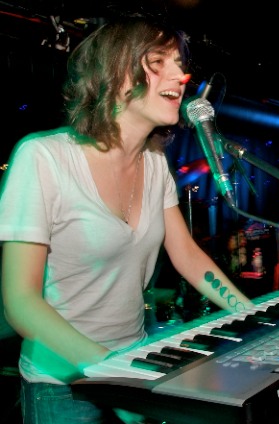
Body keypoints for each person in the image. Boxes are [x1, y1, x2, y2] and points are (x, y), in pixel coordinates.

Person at [0, 17, 252, 424]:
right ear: (118, 76)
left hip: (131, 364)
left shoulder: (154, 164)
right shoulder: (43, 157)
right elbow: (20, 303)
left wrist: (249, 314)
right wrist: (115, 374)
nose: (182, 75)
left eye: (180, 62)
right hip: (62, 384)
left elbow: (186, 255)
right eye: (160, 61)